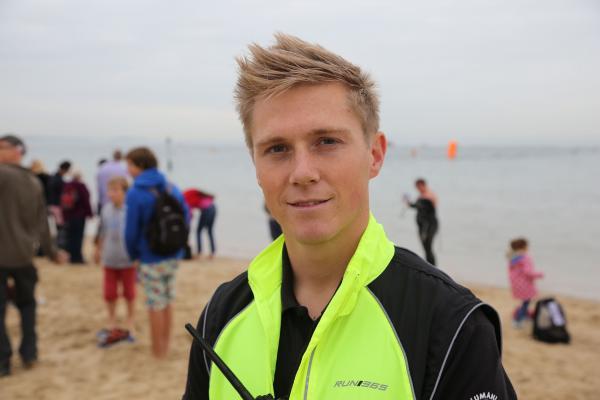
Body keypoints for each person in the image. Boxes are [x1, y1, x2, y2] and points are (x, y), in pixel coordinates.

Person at [183, 34, 516, 399]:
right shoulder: (222, 314)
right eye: (276, 148)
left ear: (374, 155)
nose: (302, 172)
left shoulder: (450, 324)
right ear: (256, 167)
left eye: (326, 141)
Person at [0, 134, 67, 377]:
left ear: (16, 150)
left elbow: (41, 221)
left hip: (5, 256)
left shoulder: (6, 175)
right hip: (24, 255)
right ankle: (29, 353)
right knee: (27, 306)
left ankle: (4, 359)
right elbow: (42, 223)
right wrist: (51, 252)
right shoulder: (32, 180)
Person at [124, 147, 189, 358]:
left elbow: (131, 230)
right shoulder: (170, 187)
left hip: (150, 256)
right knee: (167, 301)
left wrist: (133, 254)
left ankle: (157, 351)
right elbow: (186, 217)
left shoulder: (136, 192)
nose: (128, 170)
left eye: (130, 165)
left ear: (140, 166)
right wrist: (179, 246)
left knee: (155, 304)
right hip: (173, 253)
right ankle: (166, 345)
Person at [94, 176, 136, 345]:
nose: (111, 194)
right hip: (109, 259)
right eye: (109, 190)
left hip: (127, 259)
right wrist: (97, 250)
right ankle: (111, 319)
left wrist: (137, 256)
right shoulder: (105, 209)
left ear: (125, 192)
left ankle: (130, 320)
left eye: (115, 190)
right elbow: (101, 231)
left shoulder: (131, 210)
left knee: (129, 293)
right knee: (110, 293)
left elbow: (137, 234)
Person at [507, 238, 544, 328]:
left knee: (525, 302)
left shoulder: (513, 258)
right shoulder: (525, 258)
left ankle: (524, 316)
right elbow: (528, 272)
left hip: (516, 284)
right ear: (523, 247)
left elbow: (511, 272)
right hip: (525, 284)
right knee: (526, 302)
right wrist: (539, 274)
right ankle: (517, 320)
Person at [61, 170, 93, 264]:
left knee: (71, 237)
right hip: (79, 215)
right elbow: (85, 200)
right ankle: (77, 258)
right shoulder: (81, 186)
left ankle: (72, 257)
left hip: (69, 216)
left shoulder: (67, 185)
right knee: (78, 237)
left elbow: (63, 201)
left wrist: (64, 215)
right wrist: (89, 213)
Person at [404, 178, 439, 265]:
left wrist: (416, 204)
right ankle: (429, 266)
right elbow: (417, 207)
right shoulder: (420, 196)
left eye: (419, 187)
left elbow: (428, 207)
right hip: (421, 225)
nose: (418, 189)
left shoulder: (430, 195)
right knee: (425, 247)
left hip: (430, 224)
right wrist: (409, 204)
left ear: (423, 185)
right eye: (416, 187)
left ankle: (433, 267)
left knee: (428, 246)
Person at [183, 189, 217, 259]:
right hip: (213, 208)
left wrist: (187, 223)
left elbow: (189, 214)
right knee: (210, 231)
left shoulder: (184, 198)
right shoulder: (191, 193)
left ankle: (199, 252)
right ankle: (212, 252)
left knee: (198, 231)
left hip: (206, 210)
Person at [47, 160, 72, 249]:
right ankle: (59, 245)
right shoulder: (59, 180)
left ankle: (52, 245)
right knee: (60, 227)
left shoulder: (52, 177)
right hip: (56, 206)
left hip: (49, 204)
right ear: (66, 169)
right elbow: (62, 194)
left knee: (52, 227)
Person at [96, 150, 128, 215]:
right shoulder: (124, 168)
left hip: (104, 202)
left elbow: (99, 187)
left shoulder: (103, 168)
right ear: (121, 157)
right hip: (120, 203)